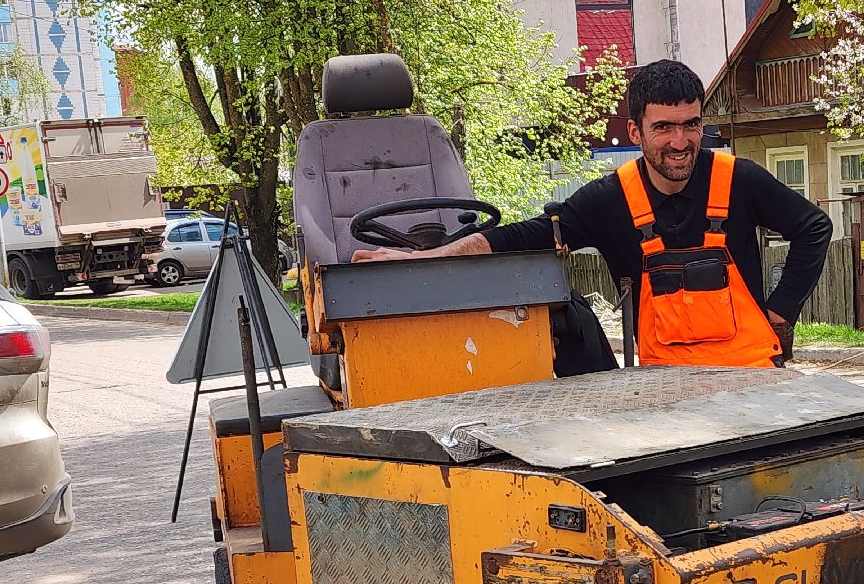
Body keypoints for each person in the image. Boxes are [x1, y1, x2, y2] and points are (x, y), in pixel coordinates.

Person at [352, 59, 832, 368]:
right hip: (667, 385)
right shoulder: (610, 198)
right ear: (635, 130)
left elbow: (814, 227)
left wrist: (780, 311)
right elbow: (521, 236)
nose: (681, 142)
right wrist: (419, 261)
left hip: (754, 374)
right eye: (664, 127)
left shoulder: (739, 179)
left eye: (691, 124)